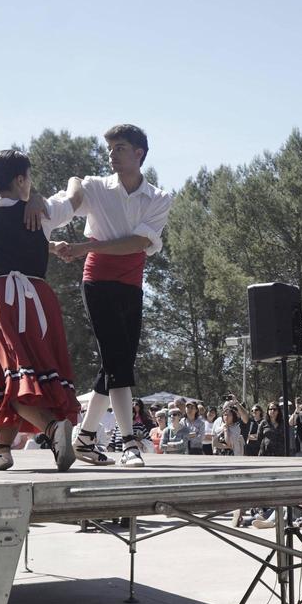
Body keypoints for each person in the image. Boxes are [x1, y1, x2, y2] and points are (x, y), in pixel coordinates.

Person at [33, 125, 173, 469]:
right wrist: (54, 199)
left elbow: (138, 243)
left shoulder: (159, 197)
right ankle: (128, 443)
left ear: (139, 153)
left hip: (132, 283)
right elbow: (65, 205)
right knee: (117, 360)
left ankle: (84, 436)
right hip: (97, 280)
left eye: (120, 148)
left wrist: (84, 246)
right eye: (109, 149)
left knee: (115, 363)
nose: (112, 154)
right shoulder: (95, 186)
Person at [0, 150, 82, 471]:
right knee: (19, 374)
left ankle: (51, 429)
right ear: (20, 179)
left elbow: (1, 230)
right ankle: (2, 450)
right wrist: (41, 198)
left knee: (6, 375)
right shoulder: (43, 213)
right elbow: (76, 194)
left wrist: (34, 197)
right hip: (36, 299)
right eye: (29, 178)